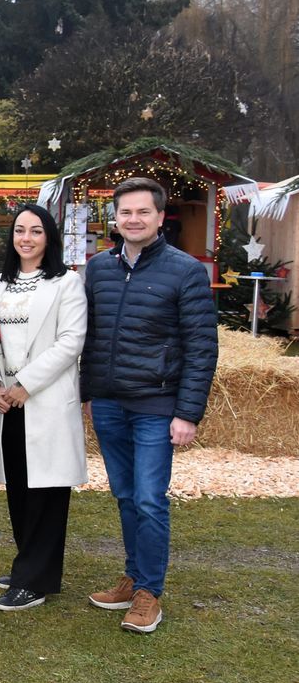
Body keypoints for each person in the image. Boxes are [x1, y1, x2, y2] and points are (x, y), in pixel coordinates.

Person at [81, 176, 217, 634]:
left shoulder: (185, 271)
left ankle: (148, 594)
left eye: (143, 212)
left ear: (160, 217)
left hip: (158, 405)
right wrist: (87, 391)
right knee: (124, 496)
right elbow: (90, 336)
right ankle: (133, 576)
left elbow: (201, 347)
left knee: (149, 499)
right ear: (114, 218)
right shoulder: (98, 268)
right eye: (125, 212)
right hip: (110, 403)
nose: (133, 219)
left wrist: (188, 413)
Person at [0, 204, 87, 612]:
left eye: (36, 231)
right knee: (20, 490)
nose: (26, 238)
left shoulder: (67, 283)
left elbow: (71, 340)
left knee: (46, 492)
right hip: (7, 400)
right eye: (19, 230)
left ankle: (33, 580)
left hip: (43, 399)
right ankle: (34, 563)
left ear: (49, 238)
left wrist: (26, 385)